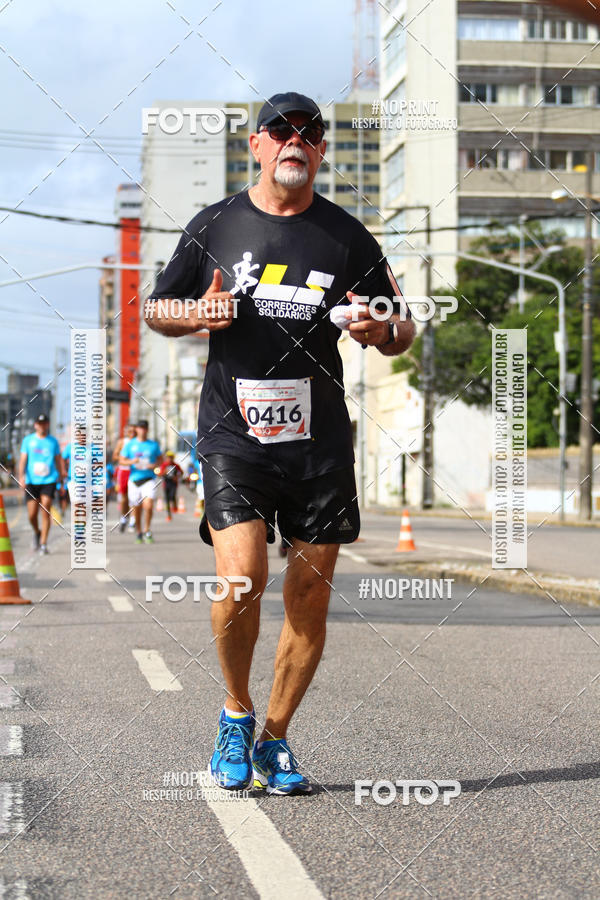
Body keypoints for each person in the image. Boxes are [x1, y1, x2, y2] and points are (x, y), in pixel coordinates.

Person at [145, 92, 415, 794]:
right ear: (258, 146)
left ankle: (275, 738)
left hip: (319, 442)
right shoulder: (216, 224)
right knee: (242, 579)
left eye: (311, 132)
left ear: (322, 150)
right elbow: (155, 307)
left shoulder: (347, 237)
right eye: (281, 130)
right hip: (234, 434)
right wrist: (195, 314)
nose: (296, 140)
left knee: (309, 597)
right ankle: (235, 712)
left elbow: (403, 325)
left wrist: (379, 329)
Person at [19, 414, 64, 554]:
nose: (42, 425)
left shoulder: (53, 442)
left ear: (48, 425)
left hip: (49, 480)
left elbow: (58, 460)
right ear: (35, 425)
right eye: (40, 423)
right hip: (32, 481)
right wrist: (21, 477)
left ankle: (43, 543)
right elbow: (22, 460)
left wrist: (62, 477)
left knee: (45, 510)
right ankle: (37, 532)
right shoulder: (28, 441)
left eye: (44, 423)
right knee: (32, 515)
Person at [119, 420, 162, 544]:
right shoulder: (130, 444)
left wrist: (154, 465)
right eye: (140, 428)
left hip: (149, 479)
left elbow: (160, 459)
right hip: (134, 480)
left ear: (147, 430)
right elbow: (122, 460)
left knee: (148, 505)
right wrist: (132, 462)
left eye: (144, 428)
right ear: (136, 430)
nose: (142, 430)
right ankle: (139, 532)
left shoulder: (153, 445)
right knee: (136, 508)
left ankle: (147, 530)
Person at [113, 422, 137, 532]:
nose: (132, 433)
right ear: (126, 432)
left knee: (134, 497)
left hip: (136, 471)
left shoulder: (139, 442)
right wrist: (124, 459)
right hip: (124, 471)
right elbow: (115, 456)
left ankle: (133, 519)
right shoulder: (122, 442)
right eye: (129, 431)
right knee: (124, 497)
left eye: (134, 431)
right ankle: (124, 516)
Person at [159, 451, 183, 521]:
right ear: (167, 458)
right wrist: (164, 472)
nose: (170, 459)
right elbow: (160, 473)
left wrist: (177, 476)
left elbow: (181, 472)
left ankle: (175, 505)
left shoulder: (176, 465)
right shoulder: (164, 465)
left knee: (172, 496)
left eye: (171, 457)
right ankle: (169, 515)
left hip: (173, 483)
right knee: (167, 499)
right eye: (169, 457)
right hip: (166, 483)